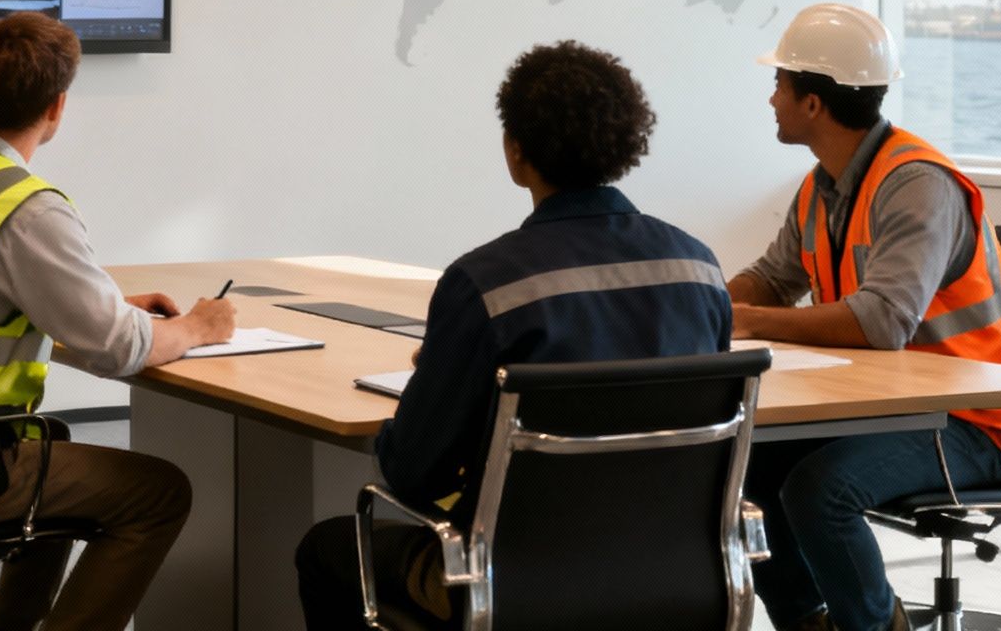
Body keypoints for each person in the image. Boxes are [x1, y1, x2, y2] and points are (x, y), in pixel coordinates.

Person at [294, 40, 733, 631]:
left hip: (509, 582)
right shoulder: (700, 269)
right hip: (678, 575)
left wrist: (444, 375)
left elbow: (412, 473)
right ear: (626, 146)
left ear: (516, 152)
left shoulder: (487, 286)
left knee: (328, 549)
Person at [0, 12, 237, 631]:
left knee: (48, 442)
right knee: (159, 493)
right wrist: (200, 327)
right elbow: (120, 351)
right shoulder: (26, 208)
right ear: (57, 108)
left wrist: (98, 307)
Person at [729, 3, 1001, 631]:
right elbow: (773, 277)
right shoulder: (824, 185)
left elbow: (881, 323)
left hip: (971, 421)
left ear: (814, 103)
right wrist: (707, 303)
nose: (771, 99)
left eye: (780, 85)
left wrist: (754, 321)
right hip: (882, 406)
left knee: (822, 489)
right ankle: (809, 620)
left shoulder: (916, 184)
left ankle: (873, 626)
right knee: (742, 469)